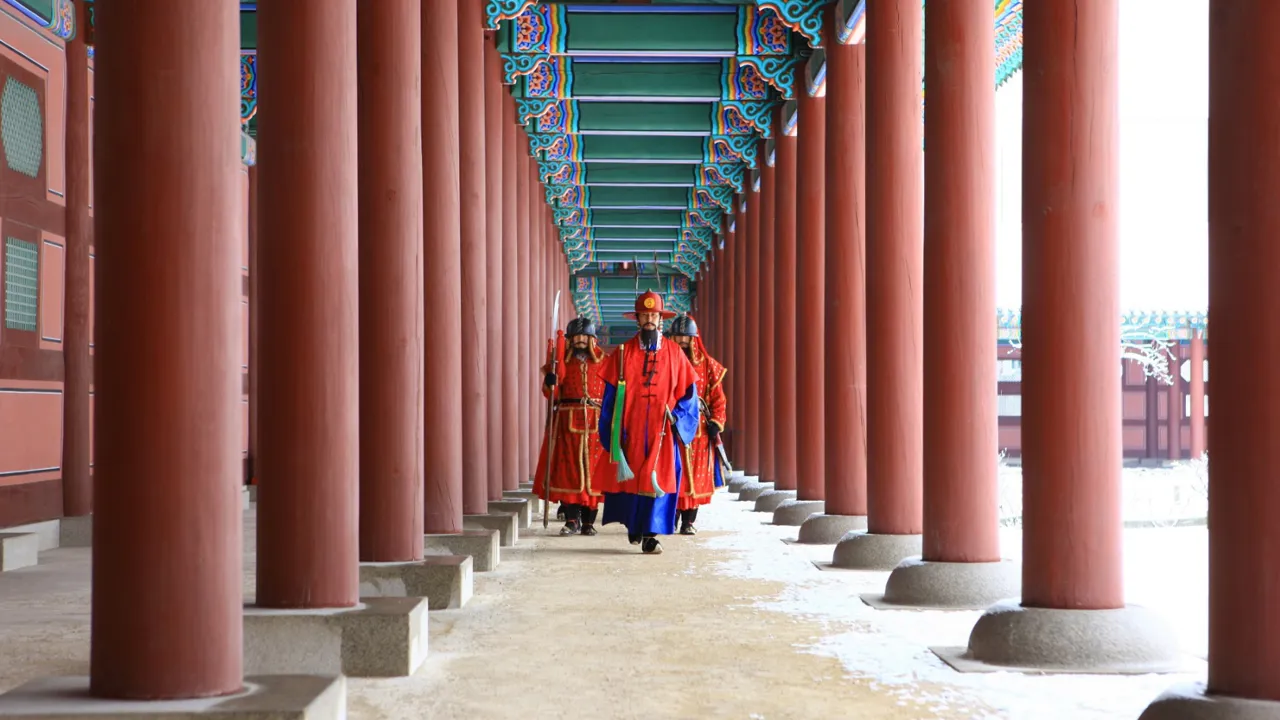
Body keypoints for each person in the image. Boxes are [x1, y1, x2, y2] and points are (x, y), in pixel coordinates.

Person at [595, 290, 700, 554]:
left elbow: (689, 395)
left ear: (660, 319)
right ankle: (635, 526)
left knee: (658, 479)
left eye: (654, 315)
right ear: (638, 319)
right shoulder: (623, 353)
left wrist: (678, 418)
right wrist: (611, 430)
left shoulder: (675, 353)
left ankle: (650, 535)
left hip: (661, 430)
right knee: (632, 481)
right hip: (630, 430)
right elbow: (609, 397)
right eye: (645, 315)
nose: (650, 320)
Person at [532, 317, 607, 536]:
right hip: (566, 422)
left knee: (594, 472)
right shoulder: (560, 363)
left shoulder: (606, 361)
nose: (580, 339)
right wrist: (550, 382)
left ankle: (589, 522)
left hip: (596, 422)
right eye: (576, 336)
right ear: (570, 339)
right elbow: (551, 395)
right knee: (569, 470)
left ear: (592, 339)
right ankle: (572, 520)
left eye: (584, 335)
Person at [667, 314, 727, 535]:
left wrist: (716, 422)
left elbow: (718, 399)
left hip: (699, 427)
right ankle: (670, 518)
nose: (682, 341)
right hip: (671, 424)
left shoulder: (708, 365)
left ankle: (689, 522)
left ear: (694, 339)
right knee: (673, 471)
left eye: (686, 337)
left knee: (696, 473)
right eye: (678, 337)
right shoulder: (664, 362)